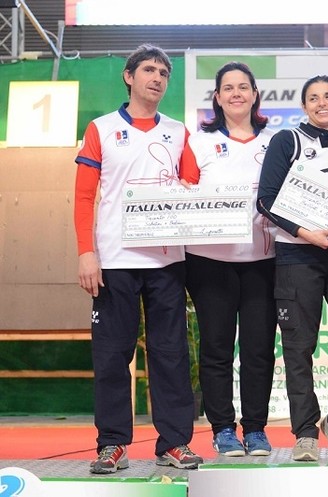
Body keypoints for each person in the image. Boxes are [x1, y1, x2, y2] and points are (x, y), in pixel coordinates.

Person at [74, 44, 203, 474]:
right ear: (129, 76)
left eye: (164, 73)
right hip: (113, 260)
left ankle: (174, 443)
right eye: (149, 70)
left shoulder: (179, 131)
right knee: (112, 356)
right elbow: (84, 195)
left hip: (167, 261)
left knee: (170, 354)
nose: (157, 78)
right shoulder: (102, 128)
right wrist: (86, 252)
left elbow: (193, 186)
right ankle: (112, 444)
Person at [256, 75, 328, 462]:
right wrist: (307, 233)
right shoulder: (287, 141)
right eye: (314, 98)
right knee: (298, 346)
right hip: (296, 255)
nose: (322, 103)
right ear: (304, 106)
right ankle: (305, 430)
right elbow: (267, 200)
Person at [179, 62, 277, 457]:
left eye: (243, 87)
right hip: (209, 262)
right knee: (216, 348)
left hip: (263, 260)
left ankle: (255, 429)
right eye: (227, 88)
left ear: (255, 94)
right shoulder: (197, 143)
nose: (236, 93)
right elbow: (181, 194)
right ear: (217, 98)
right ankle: (222, 428)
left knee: (258, 350)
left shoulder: (277, 140)